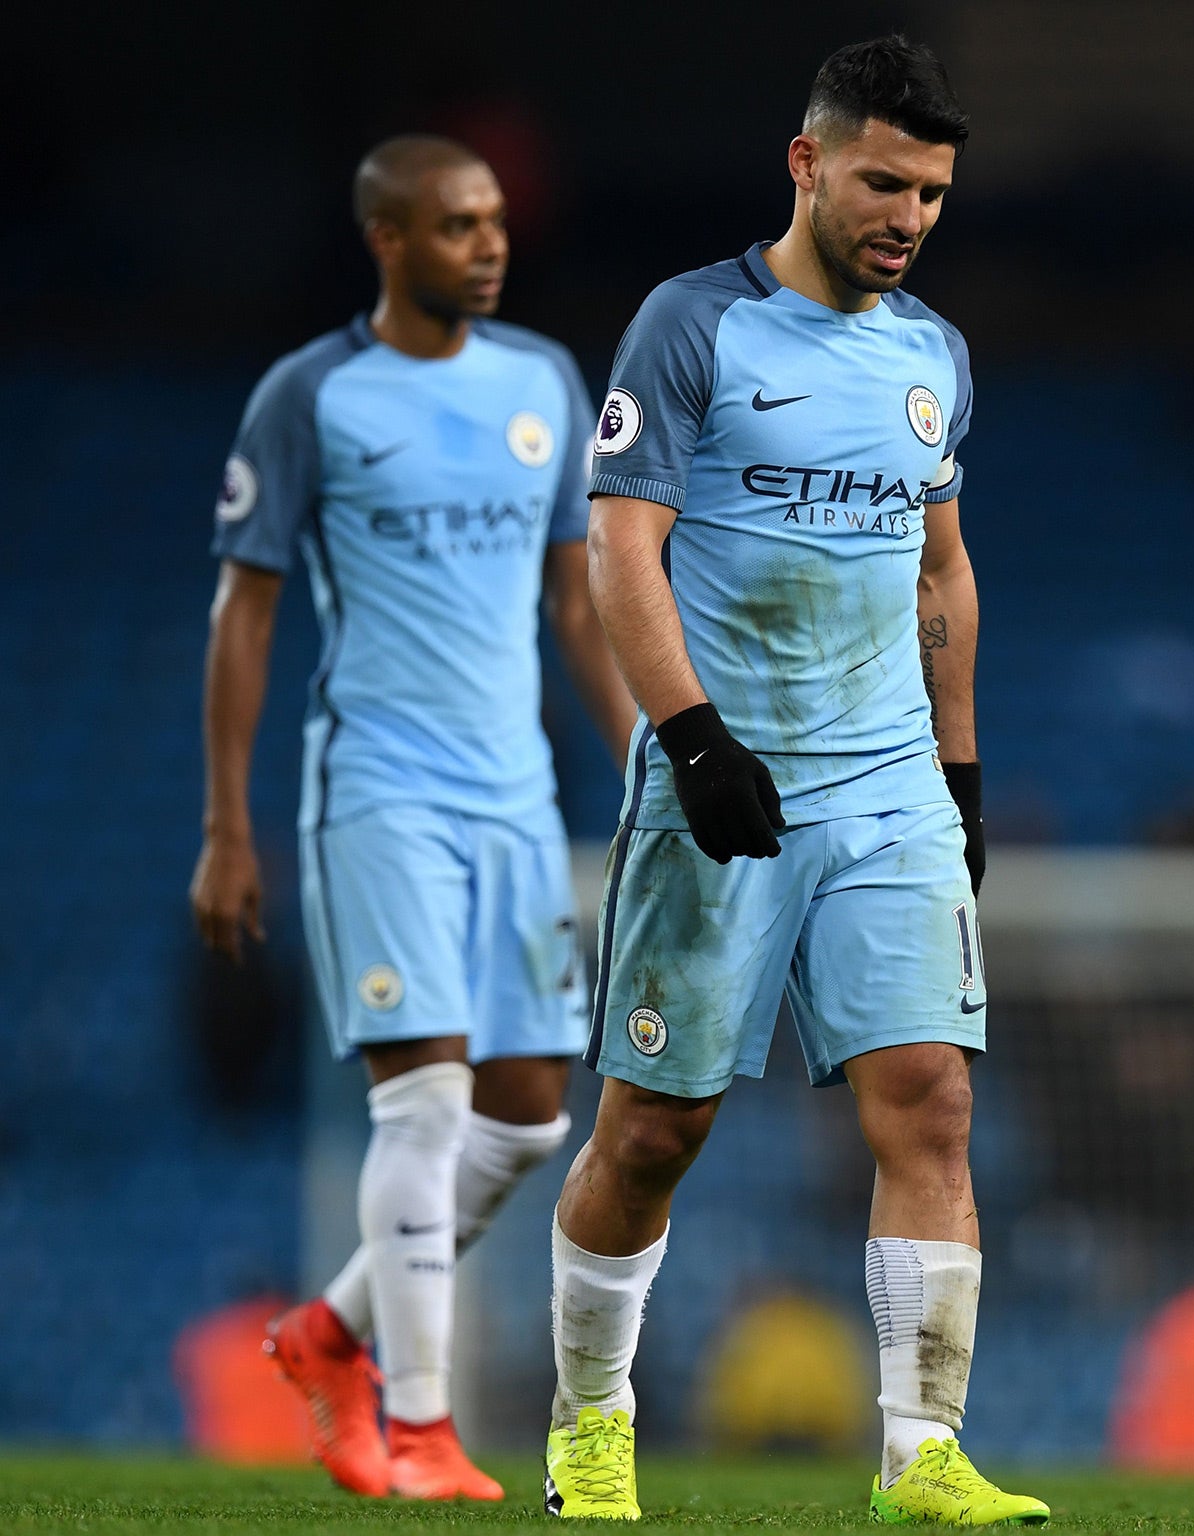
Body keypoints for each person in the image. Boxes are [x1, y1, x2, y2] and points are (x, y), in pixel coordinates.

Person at [539, 38, 1042, 1526]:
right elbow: (619, 548)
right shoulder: (691, 327)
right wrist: (691, 738)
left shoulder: (933, 357)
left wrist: (955, 774)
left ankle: (923, 1457)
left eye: (936, 193)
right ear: (806, 164)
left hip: (885, 777)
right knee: (654, 1129)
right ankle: (588, 1424)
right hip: (725, 779)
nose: (910, 216)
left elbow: (939, 569)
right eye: (885, 182)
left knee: (929, 1105)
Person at [189, 135, 637, 1501]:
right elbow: (245, 614)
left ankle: (331, 1333)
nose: (489, 246)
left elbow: (576, 602)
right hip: (380, 789)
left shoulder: (545, 383)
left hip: (515, 799)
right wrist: (226, 825)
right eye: (456, 226)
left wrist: (647, 769)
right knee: (429, 1104)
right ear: (388, 241)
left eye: (495, 221)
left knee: (526, 1119)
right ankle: (424, 1427)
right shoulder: (311, 396)